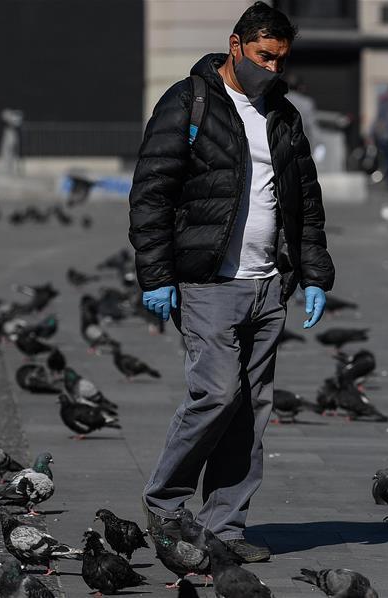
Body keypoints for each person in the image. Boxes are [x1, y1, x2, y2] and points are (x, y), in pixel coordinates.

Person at [128, 1, 335, 564]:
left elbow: (305, 202)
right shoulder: (187, 102)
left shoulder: (283, 116)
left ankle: (226, 526)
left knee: (251, 409)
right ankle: (166, 504)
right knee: (216, 394)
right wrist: (156, 275)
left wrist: (314, 273)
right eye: (265, 57)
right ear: (237, 44)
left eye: (281, 61)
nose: (272, 69)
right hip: (208, 283)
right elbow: (151, 193)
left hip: (269, 284)